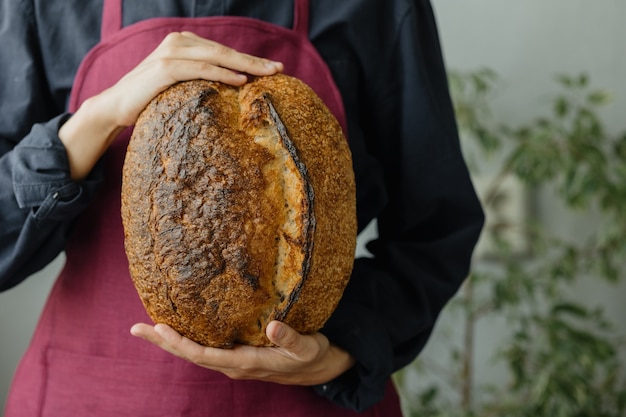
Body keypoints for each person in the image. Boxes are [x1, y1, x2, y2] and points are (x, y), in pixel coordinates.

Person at [0, 0, 484, 415]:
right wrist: (98, 118)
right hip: (92, 392)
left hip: (308, 396)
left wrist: (343, 351)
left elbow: (439, 226)